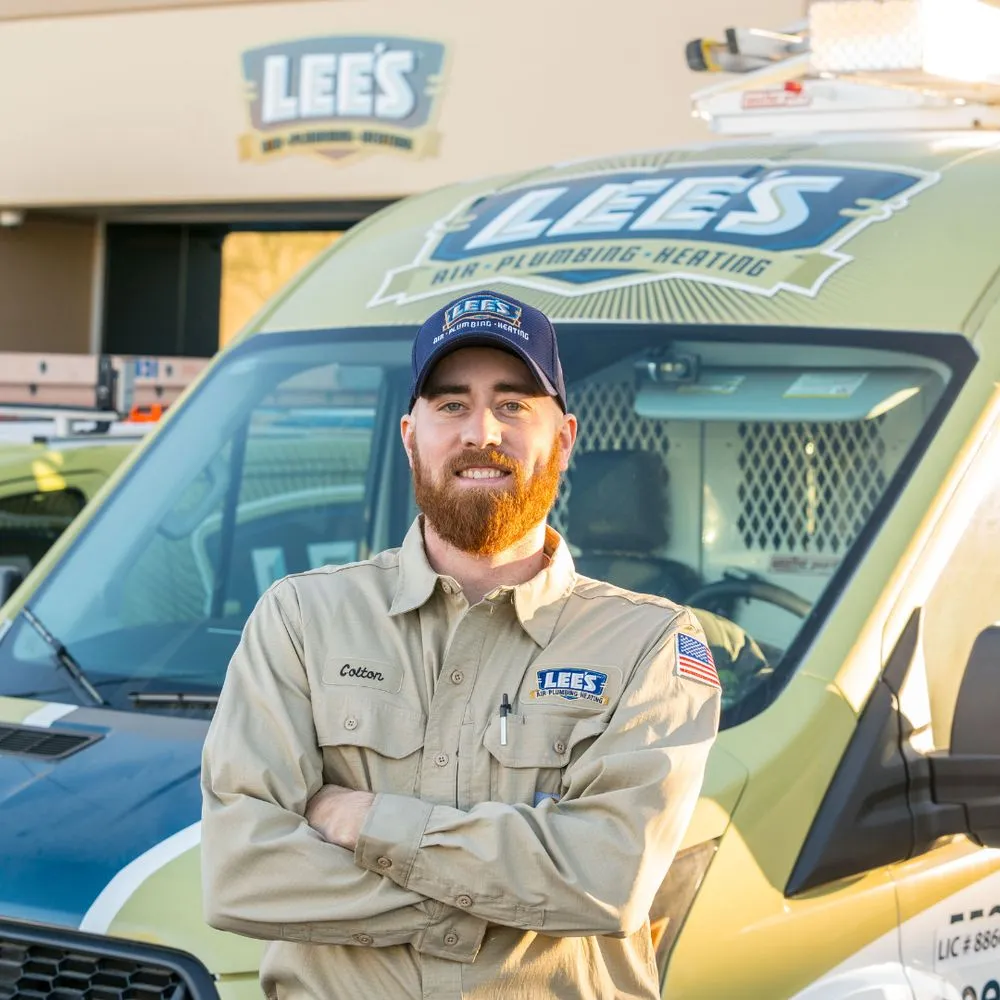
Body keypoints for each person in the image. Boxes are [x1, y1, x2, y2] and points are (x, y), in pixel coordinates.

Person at [201, 289, 722, 1000]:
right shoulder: (301, 618)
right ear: (411, 436)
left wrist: (365, 820)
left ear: (564, 438)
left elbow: (609, 881)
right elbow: (242, 877)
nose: (482, 430)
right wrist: (512, 894)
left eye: (513, 405)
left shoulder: (651, 645)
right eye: (451, 405)